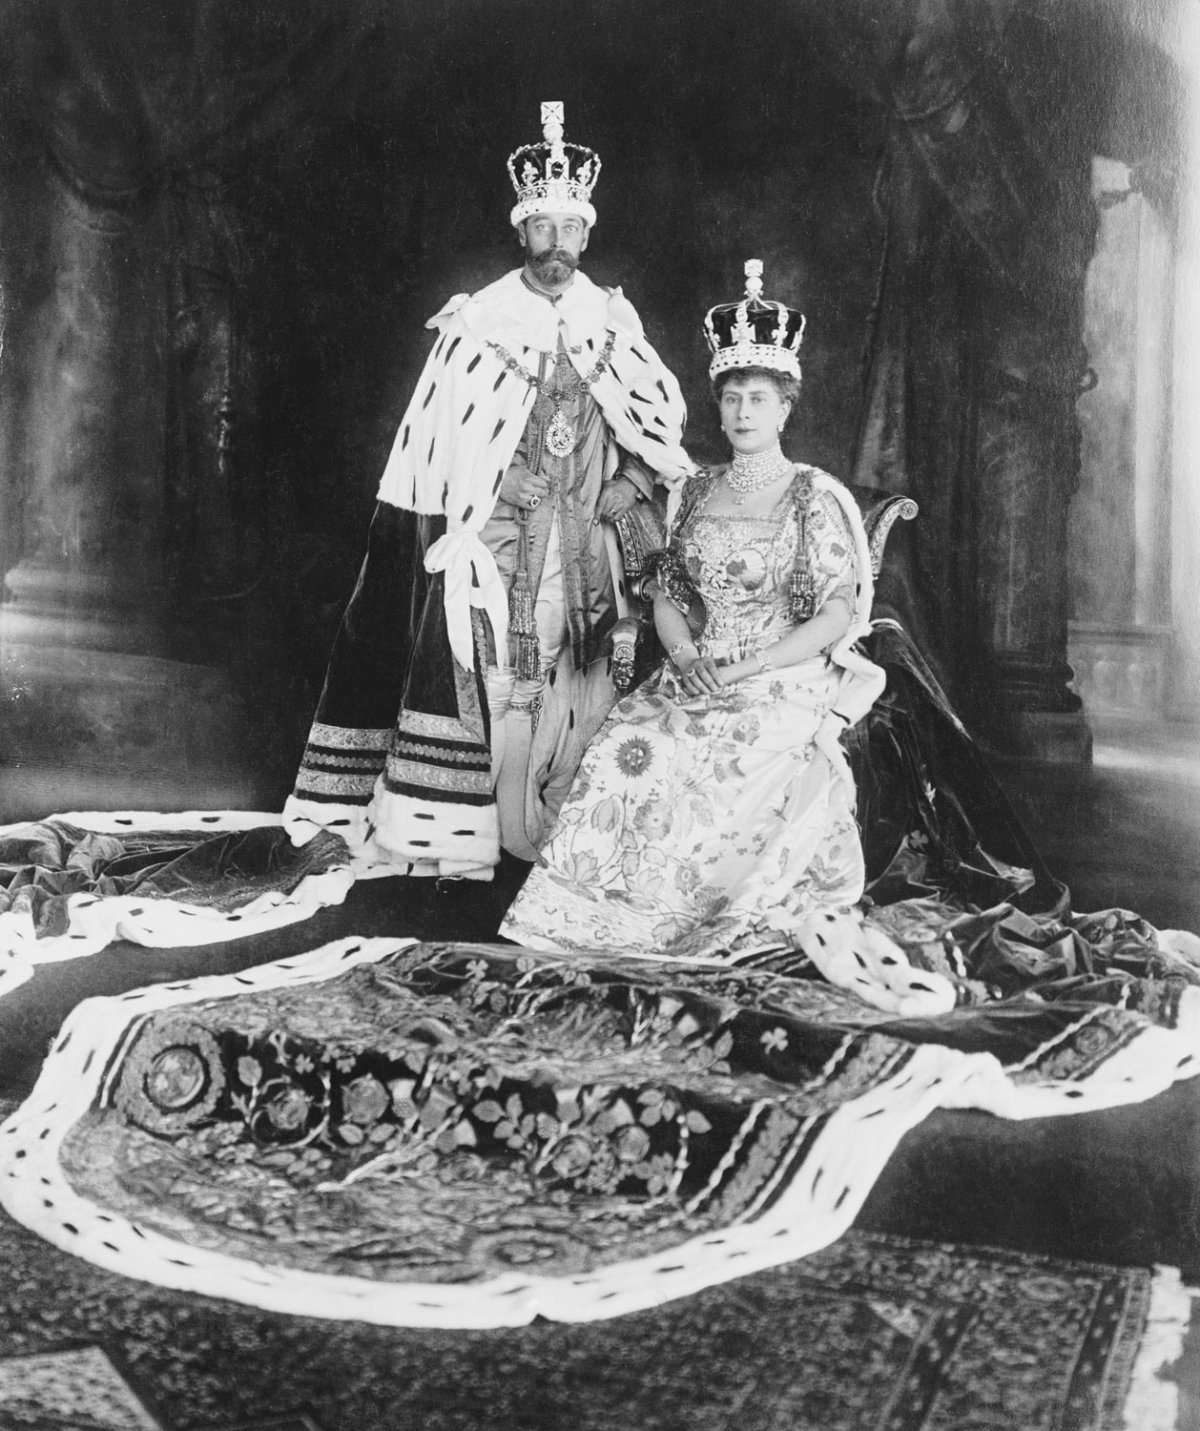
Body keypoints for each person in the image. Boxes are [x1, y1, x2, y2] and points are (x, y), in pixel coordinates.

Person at [500, 261, 946, 1011]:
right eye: (733, 398)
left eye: (758, 399)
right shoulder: (697, 489)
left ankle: (702, 920)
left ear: (784, 408)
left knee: (724, 753)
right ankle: (605, 916)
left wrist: (752, 666)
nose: (742, 412)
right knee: (630, 743)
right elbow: (667, 590)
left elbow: (837, 614)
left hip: (783, 672)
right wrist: (683, 655)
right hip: (698, 665)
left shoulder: (812, 494)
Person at [284, 103, 692, 878]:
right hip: (502, 539)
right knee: (501, 678)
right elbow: (441, 440)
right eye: (544, 229)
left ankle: (566, 832)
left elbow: (655, 425)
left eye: (571, 231)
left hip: (587, 547)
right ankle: (482, 833)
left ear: (587, 235)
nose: (557, 246)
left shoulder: (610, 320)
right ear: (522, 231)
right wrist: (501, 477)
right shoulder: (480, 324)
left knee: (585, 677)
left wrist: (633, 480)